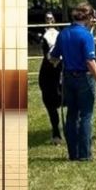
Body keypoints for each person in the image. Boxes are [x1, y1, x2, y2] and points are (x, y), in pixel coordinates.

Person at [48, 4, 96, 161]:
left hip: (68, 78)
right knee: (86, 116)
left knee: (72, 115)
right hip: (84, 78)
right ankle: (85, 155)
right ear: (88, 17)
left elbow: (53, 57)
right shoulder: (86, 36)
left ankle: (72, 154)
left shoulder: (63, 33)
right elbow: (90, 61)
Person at [39, 15, 64, 145]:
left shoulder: (59, 33)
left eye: (51, 18)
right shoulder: (43, 34)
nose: (49, 20)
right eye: (47, 18)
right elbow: (46, 52)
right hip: (48, 67)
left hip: (60, 63)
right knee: (49, 100)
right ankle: (56, 131)